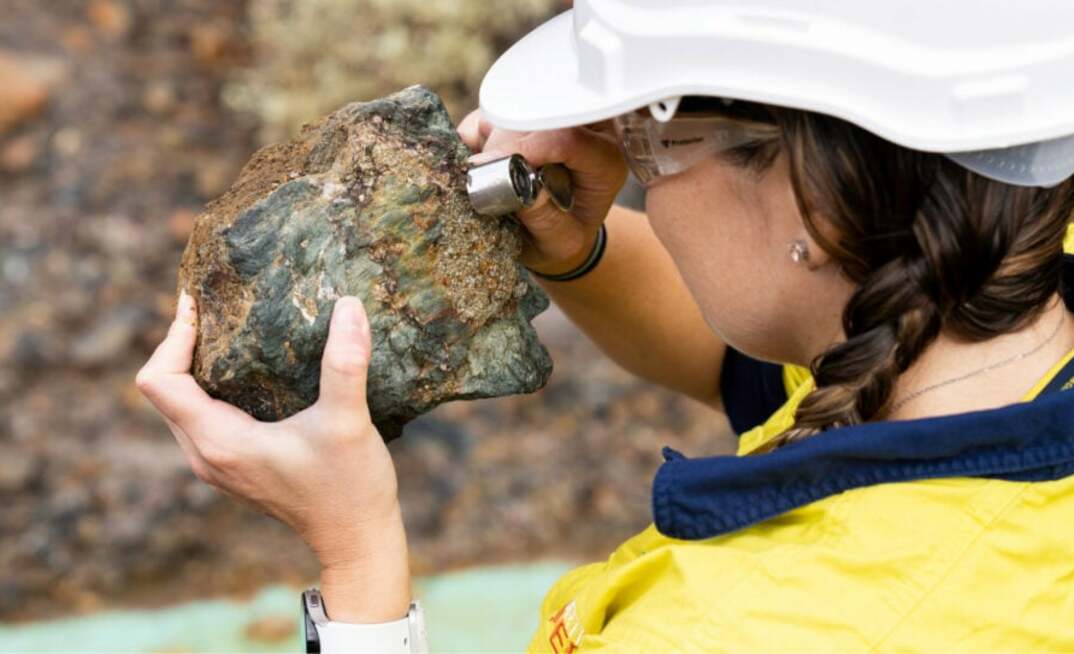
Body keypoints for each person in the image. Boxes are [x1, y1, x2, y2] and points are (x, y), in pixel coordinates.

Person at [136, 1, 1074, 650]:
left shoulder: (752, 634)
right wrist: (570, 247)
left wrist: (356, 557)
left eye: (650, 150)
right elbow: (742, 361)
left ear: (822, 203)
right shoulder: (991, 277)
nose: (635, 185)